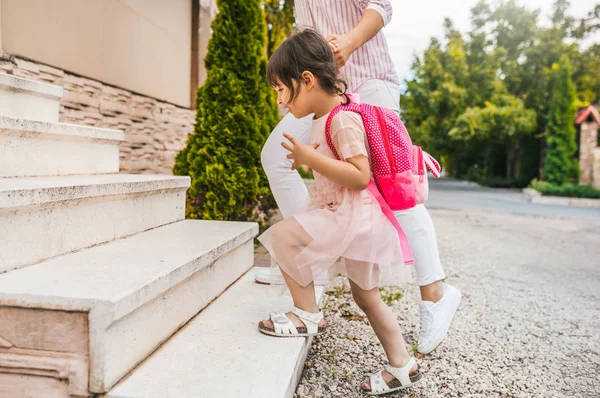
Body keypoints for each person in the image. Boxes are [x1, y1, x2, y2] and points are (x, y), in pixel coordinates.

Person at [258, 0, 461, 356]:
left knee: (394, 183)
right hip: (319, 87)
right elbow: (306, 32)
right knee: (276, 155)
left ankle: (436, 294)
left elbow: (381, 6)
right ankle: (312, 262)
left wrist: (347, 44)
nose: (277, 100)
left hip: (368, 79)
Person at [258, 29, 422, 395]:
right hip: (351, 216)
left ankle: (306, 314)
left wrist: (310, 158)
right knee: (366, 296)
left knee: (284, 235)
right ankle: (403, 365)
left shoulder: (342, 119)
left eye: (282, 90)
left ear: (307, 80)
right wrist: (311, 162)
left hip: (351, 216)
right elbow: (338, 169)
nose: (282, 102)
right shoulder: (328, 116)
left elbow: (360, 175)